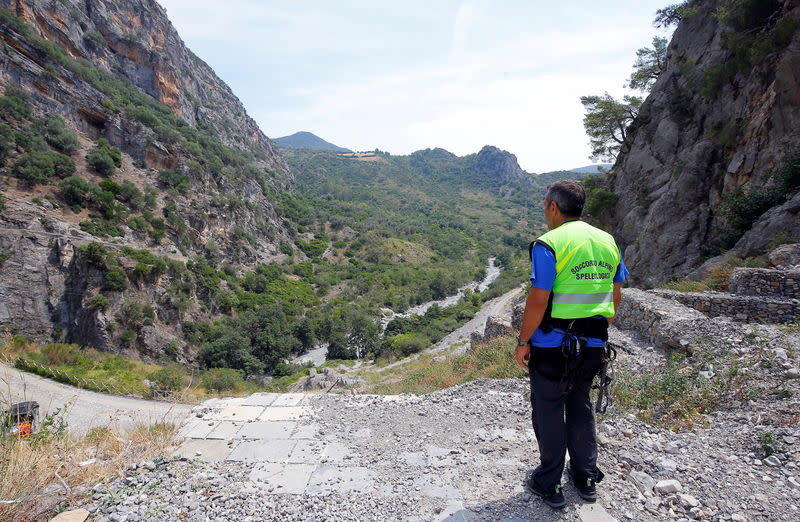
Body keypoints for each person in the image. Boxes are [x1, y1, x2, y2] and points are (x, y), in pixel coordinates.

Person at [516, 179, 628, 509]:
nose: (545, 212)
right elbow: (616, 294)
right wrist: (597, 326)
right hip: (593, 344)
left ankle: (549, 482)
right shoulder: (607, 241)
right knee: (579, 404)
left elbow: (539, 298)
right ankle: (586, 477)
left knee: (549, 408)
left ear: (554, 207)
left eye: (545, 206)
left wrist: (524, 340)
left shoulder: (548, 244)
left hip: (553, 346)